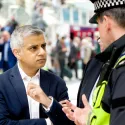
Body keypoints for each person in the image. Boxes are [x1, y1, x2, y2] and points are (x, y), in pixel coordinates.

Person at [27, 0, 125, 125]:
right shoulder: (98, 63)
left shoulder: (120, 65)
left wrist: (90, 121)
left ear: (106, 22)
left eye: (98, 25)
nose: (98, 33)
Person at [0, 25, 69, 125]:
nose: (42, 52)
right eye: (33, 48)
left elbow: (68, 121)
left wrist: (48, 102)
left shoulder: (57, 83)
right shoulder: (2, 84)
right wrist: (48, 122)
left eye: (43, 46)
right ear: (17, 53)